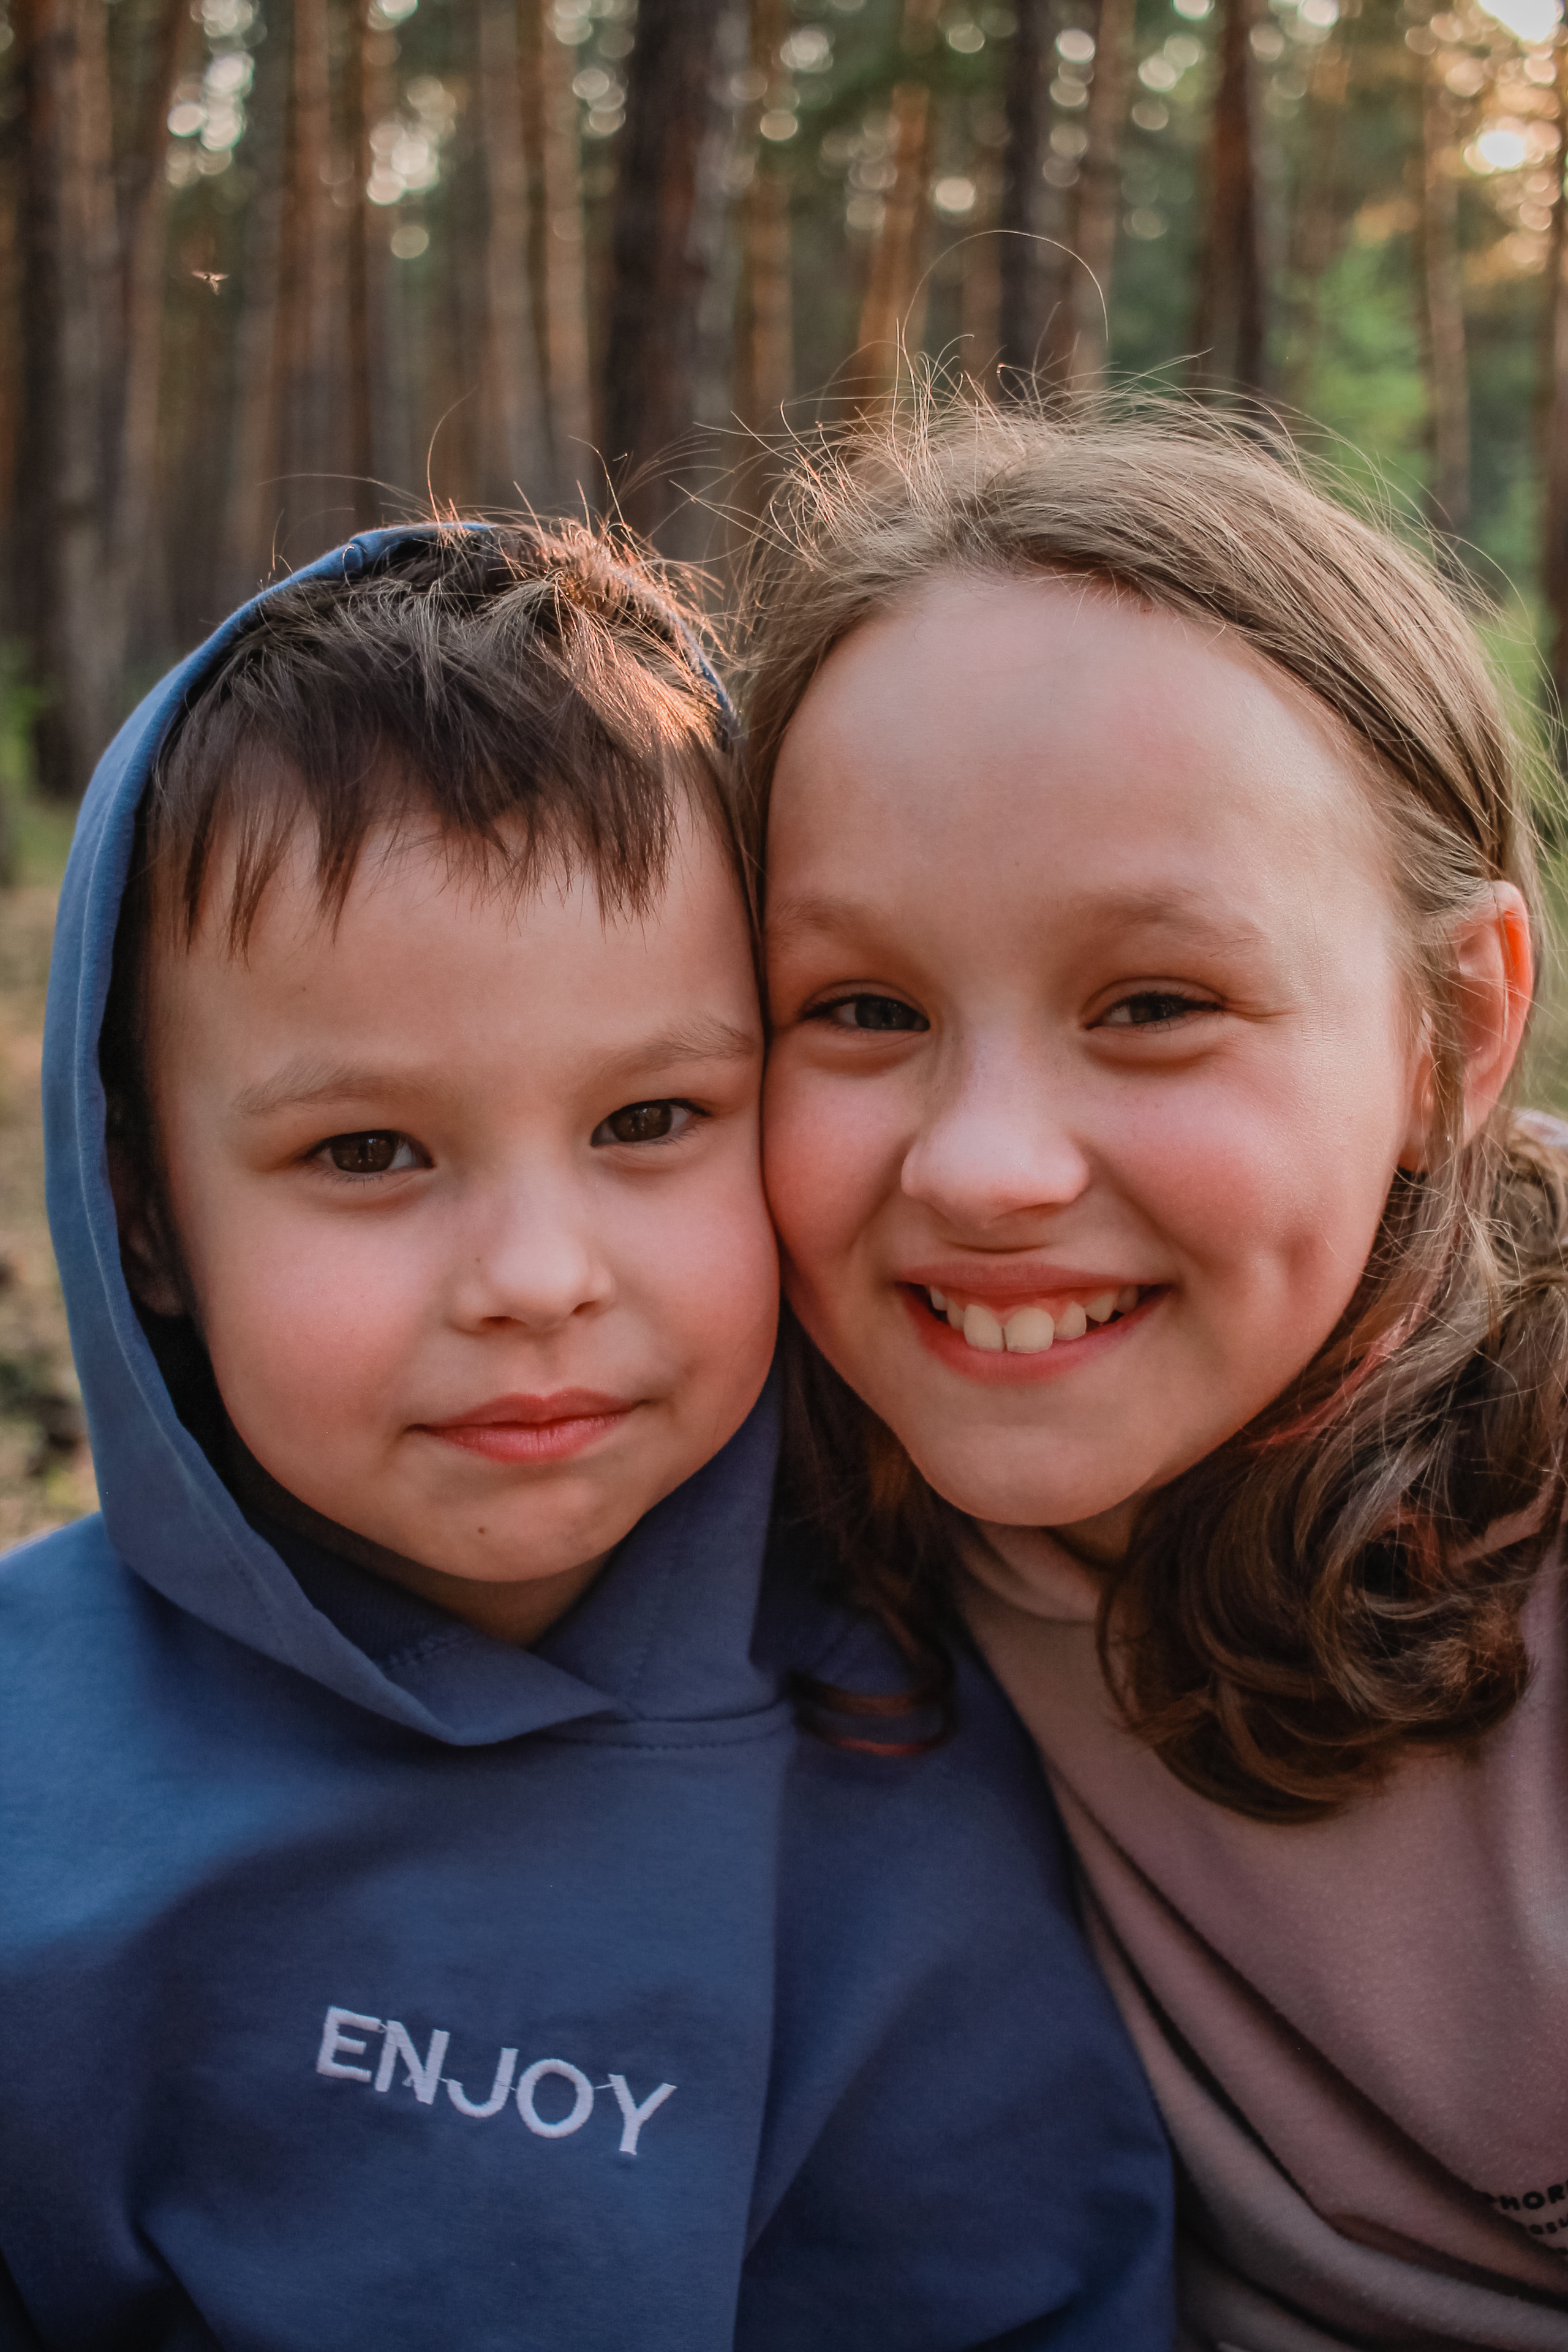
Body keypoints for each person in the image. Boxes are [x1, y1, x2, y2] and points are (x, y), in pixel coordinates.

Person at [0, 520, 1175, 2352]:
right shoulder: (29, 1775)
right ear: (142, 1209)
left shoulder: (923, 1769)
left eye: (649, 1119)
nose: (537, 1280)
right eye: (367, 1153)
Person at [744, 397, 1568, 2351]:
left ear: (1454, 1035)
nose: (986, 1166)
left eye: (1158, 1004)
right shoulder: (719, 1492)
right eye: (861, 1008)